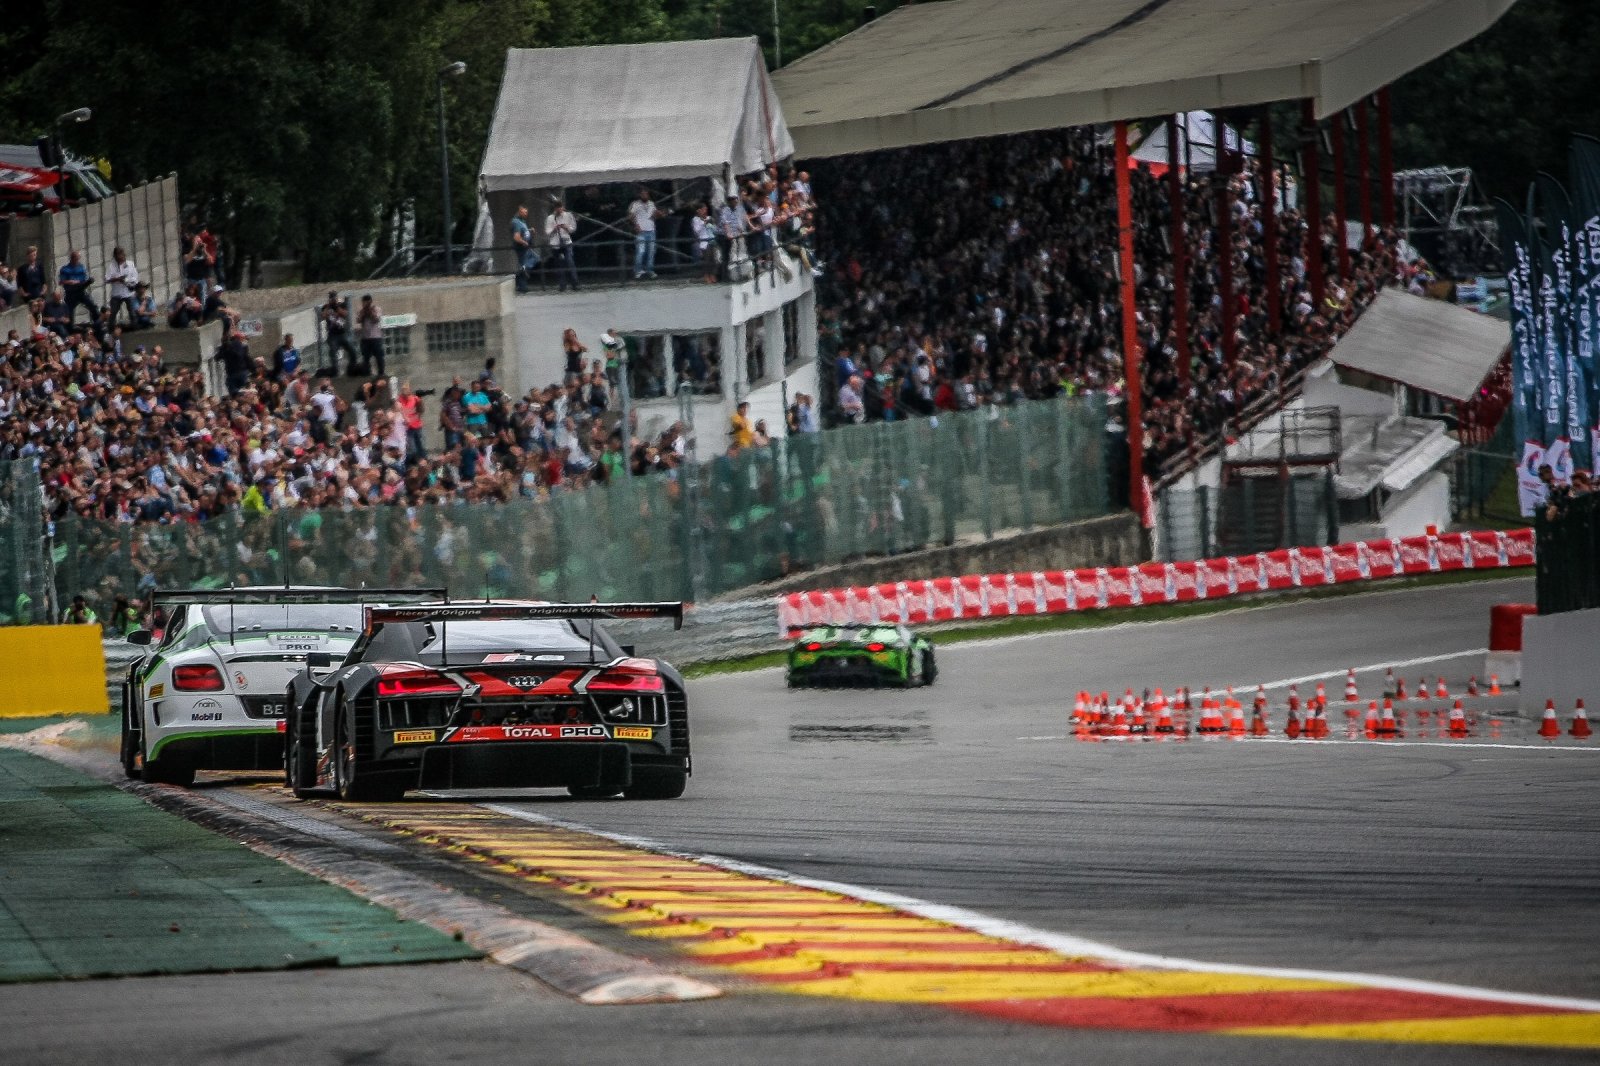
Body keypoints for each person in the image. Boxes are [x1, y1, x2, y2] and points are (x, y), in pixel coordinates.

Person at [629, 187, 664, 279]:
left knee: (651, 251)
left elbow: (655, 215)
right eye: (643, 194)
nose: (645, 195)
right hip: (641, 231)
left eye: (646, 194)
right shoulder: (635, 204)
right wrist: (636, 225)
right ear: (640, 195)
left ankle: (650, 270)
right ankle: (638, 270)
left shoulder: (651, 204)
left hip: (651, 230)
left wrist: (659, 214)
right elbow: (631, 216)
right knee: (641, 251)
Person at [544, 200, 579, 291]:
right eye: (557, 208)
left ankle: (575, 283)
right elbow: (547, 232)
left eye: (560, 208)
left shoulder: (568, 215)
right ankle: (562, 285)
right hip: (555, 243)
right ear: (555, 208)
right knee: (559, 265)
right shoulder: (550, 218)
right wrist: (554, 229)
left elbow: (573, 229)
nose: (559, 210)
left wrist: (566, 227)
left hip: (566, 242)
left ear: (562, 207)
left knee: (570, 262)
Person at [320, 291, 356, 374]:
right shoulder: (326, 307)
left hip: (343, 333)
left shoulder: (342, 305)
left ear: (337, 297)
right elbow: (323, 316)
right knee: (333, 352)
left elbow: (345, 314)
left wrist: (336, 306)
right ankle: (335, 370)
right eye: (331, 298)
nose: (333, 299)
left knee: (352, 350)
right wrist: (328, 306)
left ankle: (352, 368)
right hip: (332, 335)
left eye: (334, 297)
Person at [58, 250, 97, 324]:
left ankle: (97, 323)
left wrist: (85, 282)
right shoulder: (65, 269)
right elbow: (61, 282)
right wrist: (70, 281)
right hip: (71, 293)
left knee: (92, 306)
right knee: (69, 312)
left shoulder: (81, 267)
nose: (77, 260)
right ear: (72, 258)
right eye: (76, 258)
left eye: (78, 258)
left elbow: (83, 280)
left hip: (80, 291)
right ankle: (70, 329)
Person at [104, 247, 139, 327]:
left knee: (132, 312)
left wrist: (126, 280)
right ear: (115, 256)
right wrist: (117, 279)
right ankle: (111, 329)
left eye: (121, 255)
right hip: (116, 294)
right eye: (118, 256)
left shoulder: (130, 264)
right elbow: (107, 279)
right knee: (113, 313)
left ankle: (135, 328)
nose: (120, 258)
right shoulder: (112, 266)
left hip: (128, 293)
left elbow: (135, 278)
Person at [510, 205, 539, 292]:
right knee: (531, 260)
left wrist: (529, 230)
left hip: (525, 246)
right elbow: (516, 237)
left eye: (527, 212)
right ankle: (522, 283)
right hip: (521, 247)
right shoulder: (516, 222)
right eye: (524, 212)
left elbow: (523, 232)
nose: (526, 213)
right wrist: (524, 242)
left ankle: (522, 285)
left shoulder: (522, 221)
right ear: (519, 212)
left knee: (528, 262)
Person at [356, 294, 385, 377]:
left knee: (379, 356)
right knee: (366, 357)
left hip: (376, 337)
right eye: (363, 302)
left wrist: (370, 310)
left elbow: (376, 319)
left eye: (367, 302)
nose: (365, 304)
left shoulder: (376, 309)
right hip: (365, 338)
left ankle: (381, 373)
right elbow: (358, 320)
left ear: (370, 302)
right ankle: (366, 373)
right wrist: (364, 311)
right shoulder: (361, 310)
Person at [692, 202, 718, 283]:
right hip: (703, 241)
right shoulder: (695, 220)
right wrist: (704, 223)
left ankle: (712, 274)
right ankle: (706, 275)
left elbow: (715, 229)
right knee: (707, 259)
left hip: (712, 240)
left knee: (713, 259)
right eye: (703, 209)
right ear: (698, 210)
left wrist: (712, 223)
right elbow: (696, 231)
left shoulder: (709, 218)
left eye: (705, 209)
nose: (705, 211)